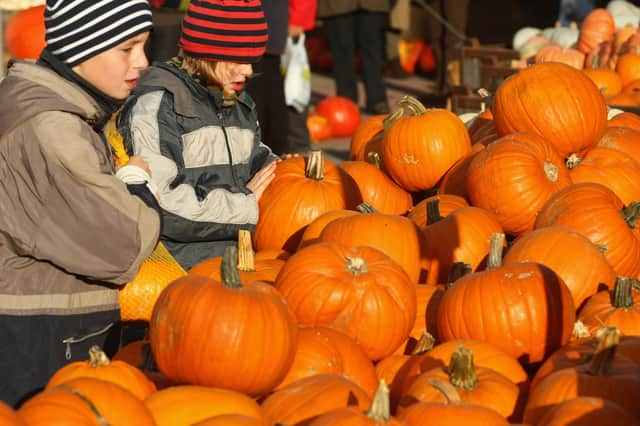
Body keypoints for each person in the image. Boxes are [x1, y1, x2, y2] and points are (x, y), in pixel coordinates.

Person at [0, 0, 161, 407]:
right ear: (80, 49)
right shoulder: (54, 133)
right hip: (46, 340)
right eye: (126, 49)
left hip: (46, 331)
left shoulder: (55, 113)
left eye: (144, 45)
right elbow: (125, 242)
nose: (142, 61)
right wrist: (137, 186)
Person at [118, 0, 279, 271]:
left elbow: (254, 157)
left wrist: (284, 173)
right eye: (238, 59)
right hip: (179, 271)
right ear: (207, 52)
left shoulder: (237, 102)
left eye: (252, 59)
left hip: (239, 263)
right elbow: (161, 202)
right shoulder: (160, 106)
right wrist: (245, 206)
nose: (249, 70)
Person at [317, 0, 391, 115]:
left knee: (373, 51)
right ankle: (346, 103)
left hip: (373, 5)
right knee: (341, 53)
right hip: (336, 6)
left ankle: (377, 100)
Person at [287, 0, 319, 153]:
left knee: (293, 86)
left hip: (285, 23)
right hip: (262, 20)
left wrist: (297, 19)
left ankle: (298, 143)